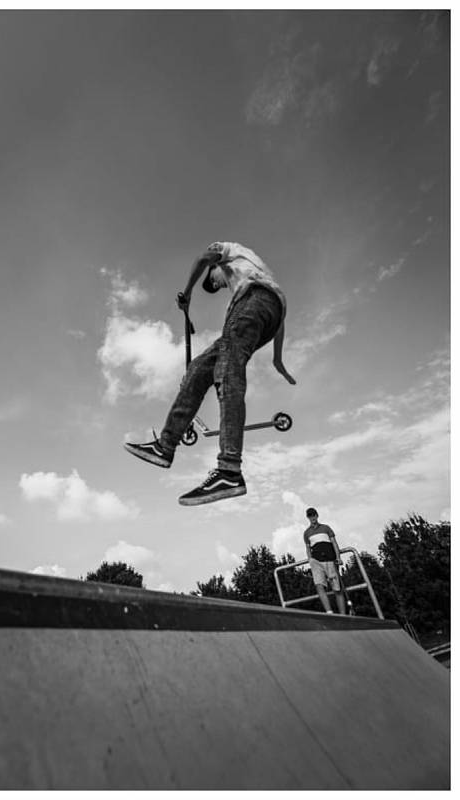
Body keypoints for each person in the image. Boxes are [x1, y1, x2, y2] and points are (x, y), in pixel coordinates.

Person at [124, 241, 295, 506]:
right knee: (200, 368)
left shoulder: (229, 253)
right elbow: (277, 318)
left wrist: (189, 291)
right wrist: (277, 359)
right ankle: (165, 446)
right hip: (264, 316)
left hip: (252, 306)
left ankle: (229, 470)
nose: (219, 285)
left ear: (216, 267)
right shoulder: (254, 278)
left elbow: (203, 258)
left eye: (215, 282)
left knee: (227, 370)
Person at [303, 507, 346, 614]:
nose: (312, 517)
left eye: (314, 515)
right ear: (308, 517)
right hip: (316, 561)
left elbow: (334, 543)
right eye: (310, 515)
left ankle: (343, 615)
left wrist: (338, 557)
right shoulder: (306, 533)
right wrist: (310, 560)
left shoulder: (326, 528)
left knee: (337, 589)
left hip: (330, 560)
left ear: (317, 515)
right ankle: (329, 612)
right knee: (319, 585)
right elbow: (308, 548)